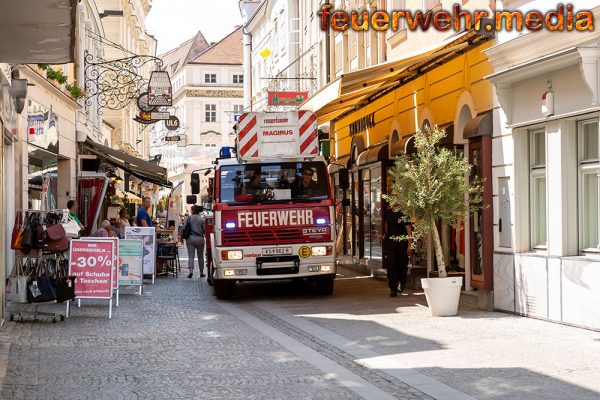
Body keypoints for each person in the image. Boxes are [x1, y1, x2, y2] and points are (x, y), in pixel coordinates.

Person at [383, 204, 412, 297]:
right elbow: (386, 227)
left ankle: (402, 282)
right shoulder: (387, 213)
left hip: (402, 243)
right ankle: (393, 288)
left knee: (402, 264)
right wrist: (385, 237)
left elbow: (409, 231)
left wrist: (409, 245)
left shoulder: (404, 214)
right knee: (391, 265)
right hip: (390, 243)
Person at [183, 205, 205, 279]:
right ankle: (201, 272)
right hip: (200, 238)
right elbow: (204, 230)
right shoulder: (202, 219)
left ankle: (191, 271)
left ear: (192, 210)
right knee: (201, 256)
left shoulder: (188, 218)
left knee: (191, 256)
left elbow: (184, 227)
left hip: (190, 238)